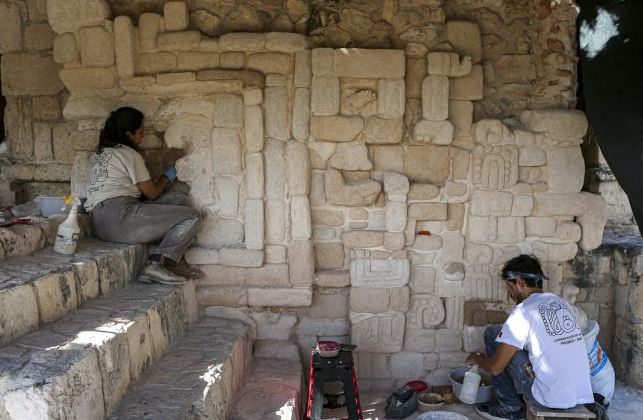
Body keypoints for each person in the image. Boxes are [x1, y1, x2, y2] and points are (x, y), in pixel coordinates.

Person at [466, 254, 600, 420]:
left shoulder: (523, 312)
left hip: (549, 398)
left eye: (510, 287)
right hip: (581, 394)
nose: (510, 293)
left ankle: (509, 407)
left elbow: (496, 368)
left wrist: (477, 359)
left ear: (520, 283)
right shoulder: (562, 304)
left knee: (493, 333)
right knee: (513, 342)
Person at [84, 107, 202, 284]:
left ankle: (156, 252)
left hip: (99, 222)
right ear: (128, 134)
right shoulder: (129, 154)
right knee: (192, 217)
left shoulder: (102, 154)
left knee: (179, 201)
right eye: (140, 131)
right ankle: (157, 263)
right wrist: (169, 175)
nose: (143, 136)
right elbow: (152, 193)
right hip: (120, 218)